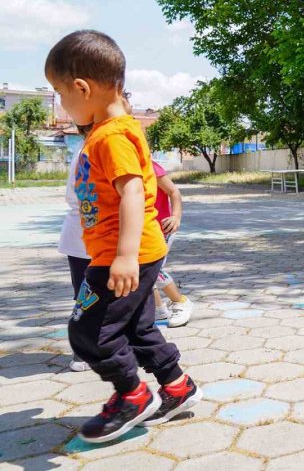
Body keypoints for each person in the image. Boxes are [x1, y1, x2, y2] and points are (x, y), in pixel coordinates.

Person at [45, 30, 202, 443]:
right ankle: (178, 387)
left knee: (88, 332)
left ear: (82, 87)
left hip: (122, 255)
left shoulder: (112, 135)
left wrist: (125, 257)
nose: (62, 105)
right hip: (130, 252)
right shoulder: (108, 129)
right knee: (135, 328)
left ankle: (132, 395)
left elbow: (133, 191)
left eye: (61, 95)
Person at [58, 124, 93, 372]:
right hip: (88, 236)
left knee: (86, 295)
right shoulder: (90, 149)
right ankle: (82, 351)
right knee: (86, 296)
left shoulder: (86, 147)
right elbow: (87, 196)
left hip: (84, 235)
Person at [150, 160, 193, 327]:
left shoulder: (150, 166)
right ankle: (159, 309)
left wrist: (176, 216)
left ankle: (180, 301)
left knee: (152, 270)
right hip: (140, 229)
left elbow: (174, 192)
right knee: (143, 272)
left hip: (162, 228)